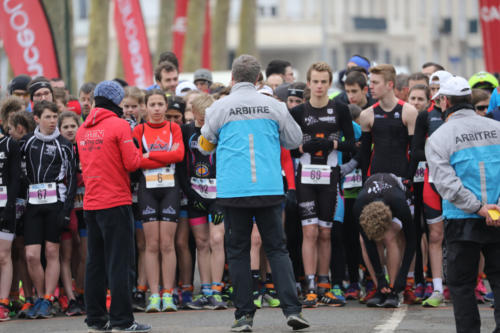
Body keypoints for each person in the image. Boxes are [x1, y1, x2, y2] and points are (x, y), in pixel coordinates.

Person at [198, 54, 309, 332]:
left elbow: (204, 145)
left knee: (238, 251)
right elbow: (295, 140)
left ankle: (244, 316)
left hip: (234, 190)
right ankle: (292, 311)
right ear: (258, 79)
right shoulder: (274, 106)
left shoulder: (219, 107)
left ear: (232, 79)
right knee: (277, 249)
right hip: (269, 187)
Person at [425, 75, 500, 333]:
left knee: (461, 285)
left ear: (445, 101)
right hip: (498, 215)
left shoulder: (438, 137)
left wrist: (479, 208)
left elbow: (447, 185)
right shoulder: (497, 128)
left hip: (461, 218)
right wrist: (494, 207)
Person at [76, 81, 150, 332]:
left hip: (92, 202)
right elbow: (132, 163)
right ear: (116, 101)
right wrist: (142, 152)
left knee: (95, 262)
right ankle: (122, 320)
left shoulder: (82, 129)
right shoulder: (119, 125)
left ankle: (95, 319)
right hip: (116, 201)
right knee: (120, 262)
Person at [291, 61, 355, 307]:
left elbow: (352, 143)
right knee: (310, 231)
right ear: (308, 83)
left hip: (329, 176)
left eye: (323, 82)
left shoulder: (340, 110)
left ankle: (324, 285)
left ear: (329, 84)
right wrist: (303, 147)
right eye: (315, 81)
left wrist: (333, 145)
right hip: (305, 177)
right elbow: (288, 146)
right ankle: (309, 287)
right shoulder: (298, 112)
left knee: (326, 232)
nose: (319, 86)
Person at [20, 101, 76, 319]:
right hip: (33, 204)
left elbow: (71, 180)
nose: (53, 121)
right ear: (36, 119)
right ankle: (41, 295)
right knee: (32, 255)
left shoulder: (64, 144)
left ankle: (47, 299)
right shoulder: (26, 142)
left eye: (55, 117)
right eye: (48, 117)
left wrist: (66, 209)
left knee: (53, 252)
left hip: (55, 203)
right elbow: (20, 173)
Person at [132, 89, 185, 313]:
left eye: (159, 104)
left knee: (167, 244)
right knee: (152, 245)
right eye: (151, 104)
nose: (155, 109)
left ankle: (168, 294)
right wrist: (163, 156)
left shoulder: (174, 128)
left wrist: (149, 156)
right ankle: (154, 295)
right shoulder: (139, 130)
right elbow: (135, 161)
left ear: (165, 106)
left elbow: (179, 155)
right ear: (145, 107)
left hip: (170, 189)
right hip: (148, 190)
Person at [177, 94, 227, 310]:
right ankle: (206, 290)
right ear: (194, 114)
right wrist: (191, 194)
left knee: (217, 240)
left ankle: (217, 290)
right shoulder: (186, 131)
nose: (204, 122)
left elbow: (228, 162)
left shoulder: (221, 130)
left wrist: (222, 198)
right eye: (200, 118)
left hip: (218, 195)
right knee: (201, 243)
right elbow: (180, 167)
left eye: (208, 117)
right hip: (195, 194)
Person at [407, 82, 445, 307]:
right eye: (413, 98)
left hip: (453, 182)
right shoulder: (425, 116)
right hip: (429, 180)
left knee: (462, 233)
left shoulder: (455, 115)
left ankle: (466, 283)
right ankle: (434, 285)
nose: (416, 102)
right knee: (433, 234)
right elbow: (415, 150)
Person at [354, 173, 416, 308]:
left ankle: (393, 289)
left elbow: (412, 241)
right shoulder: (359, 206)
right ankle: (380, 289)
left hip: (401, 198)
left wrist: (403, 276)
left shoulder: (399, 203)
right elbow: (369, 243)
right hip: (372, 200)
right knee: (364, 241)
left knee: (389, 236)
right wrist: (380, 278)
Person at [57, 111, 84, 316]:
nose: (69, 130)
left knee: (83, 255)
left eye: (72, 126)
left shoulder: (86, 147)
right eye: (65, 127)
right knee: (66, 256)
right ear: (59, 130)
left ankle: (83, 292)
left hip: (86, 209)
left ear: (79, 127)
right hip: (66, 209)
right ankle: (71, 297)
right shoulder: (57, 149)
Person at [0, 122, 21, 321]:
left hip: (5, 207)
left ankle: (3, 303)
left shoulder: (9, 144)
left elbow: (16, 179)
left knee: (4, 256)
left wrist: (9, 205)